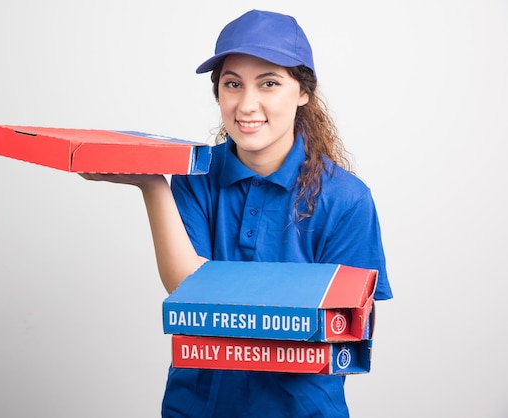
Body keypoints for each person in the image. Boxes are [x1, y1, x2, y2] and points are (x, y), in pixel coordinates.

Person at [81, 9, 393, 418]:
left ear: (303, 92)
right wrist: (153, 184)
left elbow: (351, 331)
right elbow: (186, 289)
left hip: (301, 410)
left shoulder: (347, 199)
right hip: (196, 406)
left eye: (269, 83)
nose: (247, 104)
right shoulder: (194, 177)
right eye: (232, 84)